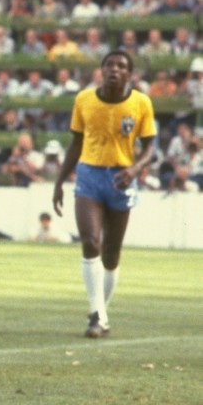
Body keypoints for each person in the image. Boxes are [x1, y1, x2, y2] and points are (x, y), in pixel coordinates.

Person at [53, 50, 156, 339]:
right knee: (90, 241)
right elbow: (76, 142)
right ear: (101, 70)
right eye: (109, 64)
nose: (114, 69)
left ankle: (102, 313)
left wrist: (136, 169)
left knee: (111, 255)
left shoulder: (141, 103)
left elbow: (150, 146)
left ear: (129, 74)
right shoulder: (84, 100)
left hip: (122, 178)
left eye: (121, 66)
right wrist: (60, 181)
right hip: (89, 175)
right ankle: (96, 314)